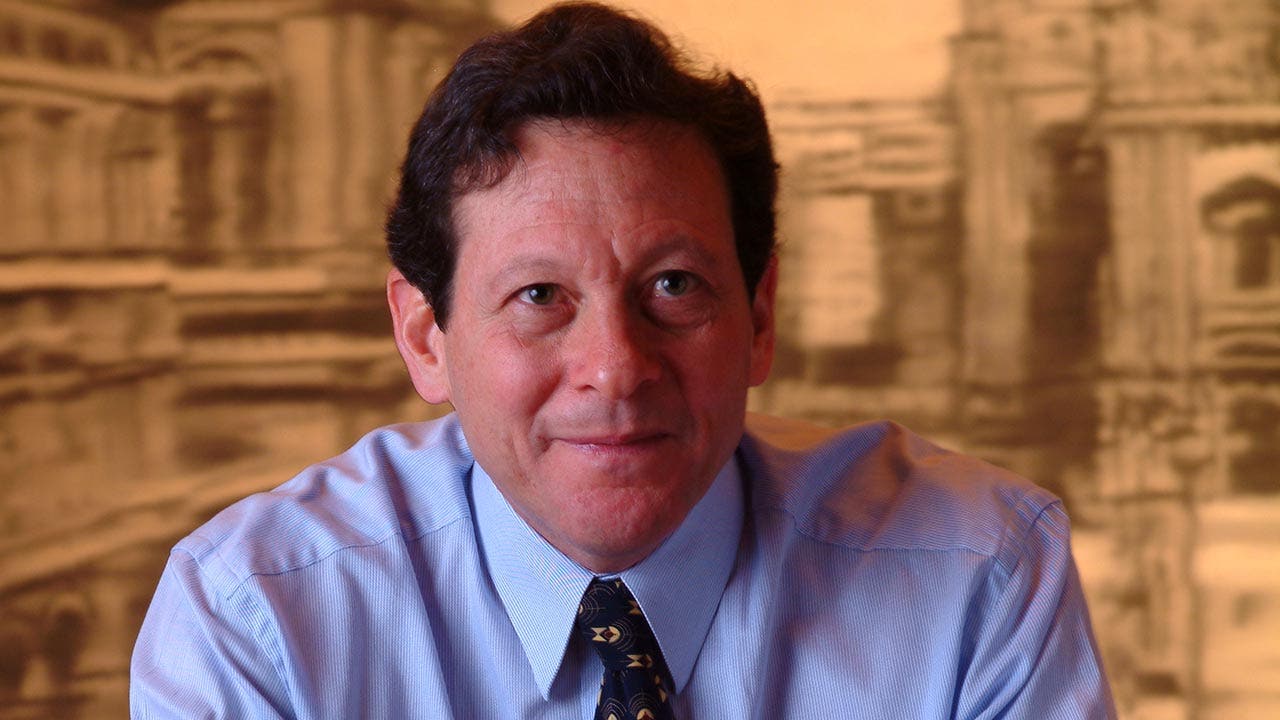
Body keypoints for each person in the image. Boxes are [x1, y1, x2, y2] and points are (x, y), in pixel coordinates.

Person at [130, 3, 1117, 718]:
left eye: (673, 286)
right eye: (539, 297)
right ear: (425, 336)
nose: (615, 368)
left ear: (759, 315)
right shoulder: (257, 616)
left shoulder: (974, 575)